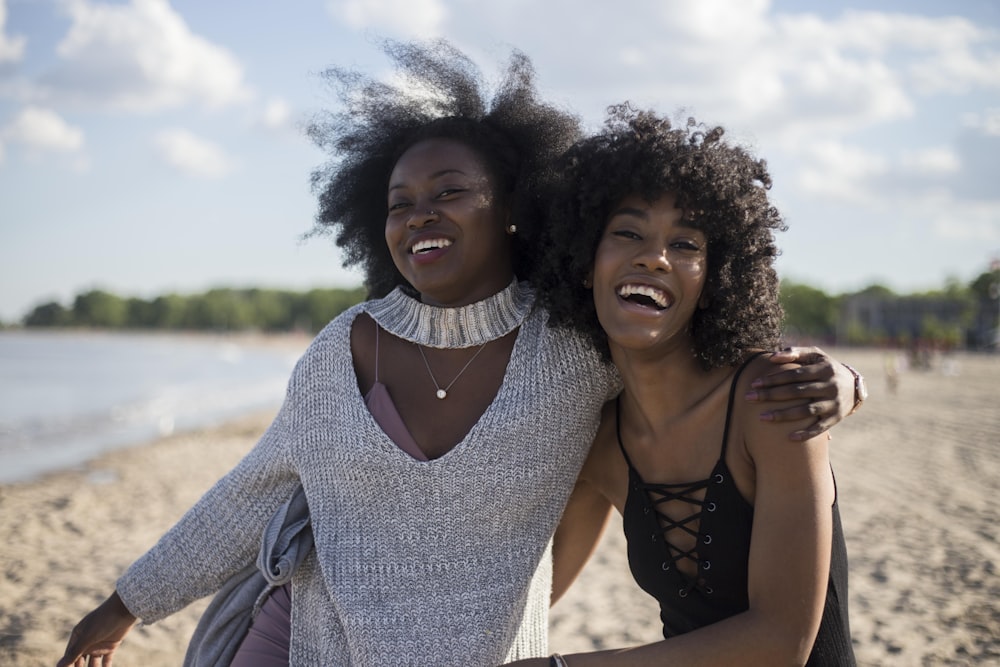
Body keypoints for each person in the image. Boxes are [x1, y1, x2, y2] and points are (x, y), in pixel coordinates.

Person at [57, 42, 858, 667]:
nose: (420, 216)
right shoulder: (339, 351)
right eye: (400, 203)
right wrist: (123, 604)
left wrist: (845, 381)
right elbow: (248, 495)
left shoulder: (576, 351)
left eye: (449, 192)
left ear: (514, 210)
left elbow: (693, 364)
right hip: (305, 643)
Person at [513, 106, 857, 666]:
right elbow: (526, 596)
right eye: (628, 233)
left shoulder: (771, 399)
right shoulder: (599, 442)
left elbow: (781, 641)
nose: (654, 257)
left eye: (687, 245)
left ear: (716, 278)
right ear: (583, 261)